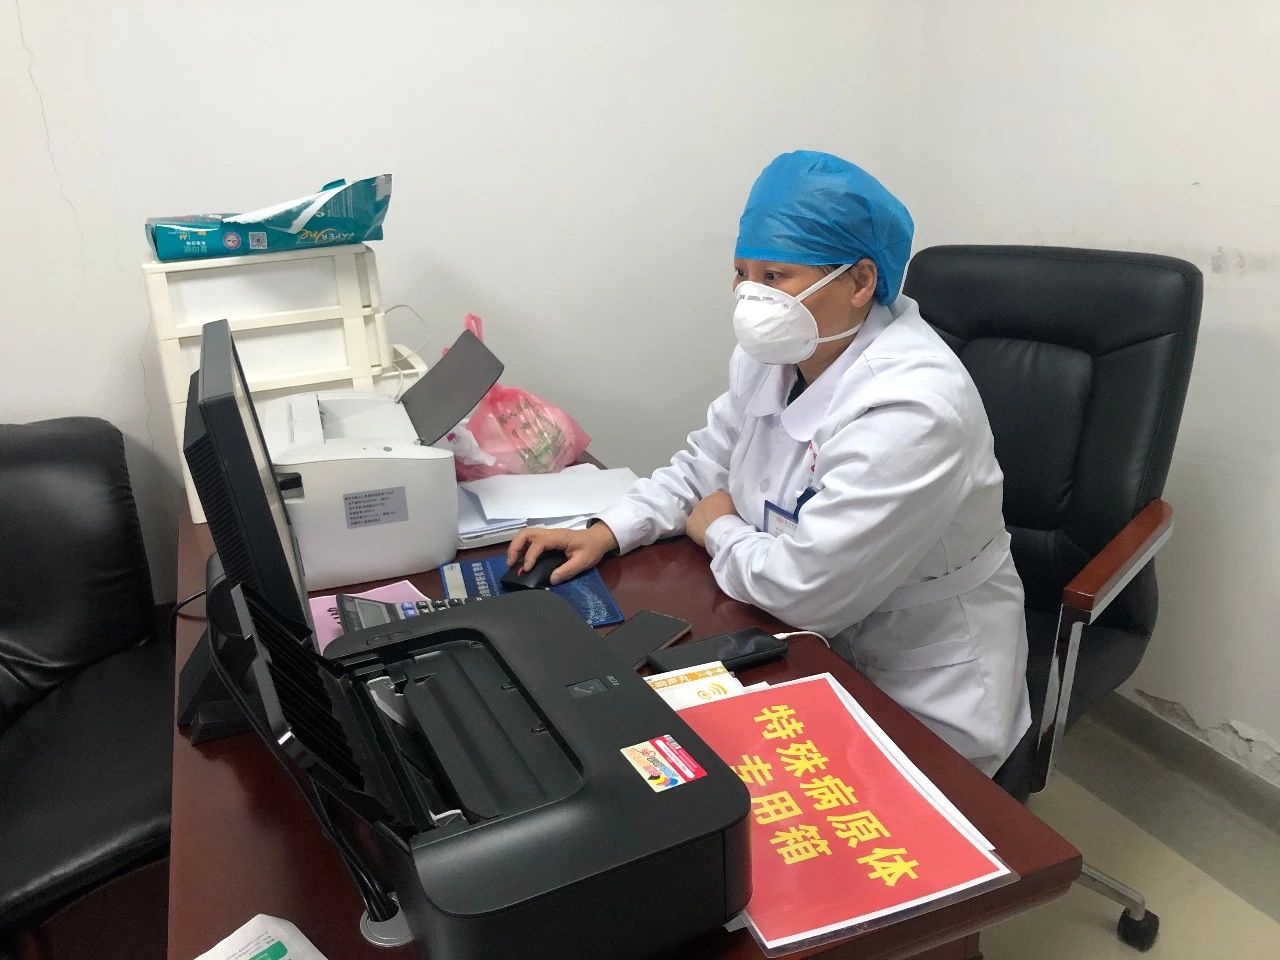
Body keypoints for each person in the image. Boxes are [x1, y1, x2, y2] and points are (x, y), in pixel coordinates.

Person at [509, 150, 1030, 775]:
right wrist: (609, 530)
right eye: (742, 272)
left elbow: (805, 591)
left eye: (775, 275)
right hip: (794, 641)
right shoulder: (781, 352)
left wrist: (718, 529)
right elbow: (706, 463)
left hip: (922, 687)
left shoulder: (912, 407)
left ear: (861, 282)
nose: (750, 295)